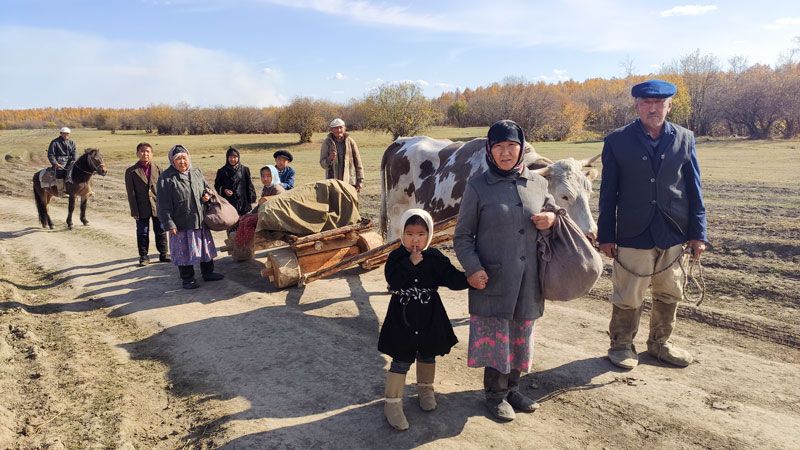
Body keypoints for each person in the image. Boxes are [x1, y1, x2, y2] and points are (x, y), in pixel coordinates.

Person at [597, 79, 707, 370]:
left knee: (670, 290)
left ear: (669, 106)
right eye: (646, 102)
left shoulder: (685, 138)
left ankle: (660, 344)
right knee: (629, 292)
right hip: (633, 231)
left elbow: (694, 189)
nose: (653, 108)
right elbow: (608, 194)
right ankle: (621, 345)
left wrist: (698, 234)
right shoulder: (617, 140)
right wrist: (606, 236)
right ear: (637, 105)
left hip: (673, 231)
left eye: (659, 103)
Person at [454, 119, 556, 422]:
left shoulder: (538, 184)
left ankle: (513, 389)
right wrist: (472, 268)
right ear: (489, 150)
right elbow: (462, 237)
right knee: (498, 339)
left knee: (521, 336)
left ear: (521, 148)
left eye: (511, 145)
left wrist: (551, 219)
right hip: (494, 278)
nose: (505, 152)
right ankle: (495, 395)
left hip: (529, 279)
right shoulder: (478, 186)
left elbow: (553, 211)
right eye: (498, 146)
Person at [379, 208, 469, 431]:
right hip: (403, 316)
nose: (415, 239)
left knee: (428, 353)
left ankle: (425, 389)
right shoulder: (396, 257)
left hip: (430, 315)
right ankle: (392, 403)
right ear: (402, 234)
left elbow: (452, 279)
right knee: (401, 357)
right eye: (409, 234)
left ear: (428, 235)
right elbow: (394, 281)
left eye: (420, 234)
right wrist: (410, 264)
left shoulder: (436, 257)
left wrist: (472, 277)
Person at [157, 145, 224, 289]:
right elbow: (162, 204)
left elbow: (207, 187)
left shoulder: (196, 172)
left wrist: (207, 194)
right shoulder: (166, 178)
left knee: (204, 248)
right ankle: (187, 279)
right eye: (178, 159)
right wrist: (169, 224)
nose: (182, 162)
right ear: (172, 161)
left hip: (199, 219)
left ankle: (208, 273)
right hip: (181, 223)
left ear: (189, 158)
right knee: (184, 252)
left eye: (184, 158)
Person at [125, 142, 169, 266]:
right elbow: (131, 193)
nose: (145, 154)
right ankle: (144, 256)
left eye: (148, 151)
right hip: (141, 207)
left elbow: (164, 190)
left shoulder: (159, 169)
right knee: (142, 231)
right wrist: (134, 211)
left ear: (152, 154)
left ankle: (164, 253)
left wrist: (166, 207)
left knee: (160, 229)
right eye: (142, 151)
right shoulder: (131, 171)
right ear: (137, 154)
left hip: (157, 206)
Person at [319, 118, 364, 192]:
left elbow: (358, 162)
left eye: (341, 127)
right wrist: (330, 158)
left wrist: (360, 180)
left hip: (350, 181)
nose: (339, 130)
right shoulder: (327, 143)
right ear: (331, 130)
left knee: (349, 203)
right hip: (332, 182)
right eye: (336, 128)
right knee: (334, 203)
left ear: (345, 128)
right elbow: (322, 164)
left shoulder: (350, 141)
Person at [214, 146, 257, 218]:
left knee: (245, 225)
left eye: (235, 157)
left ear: (238, 157)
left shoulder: (244, 169)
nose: (232, 159)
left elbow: (249, 185)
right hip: (229, 204)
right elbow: (217, 186)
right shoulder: (222, 171)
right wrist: (224, 190)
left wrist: (252, 198)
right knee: (232, 226)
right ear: (227, 158)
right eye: (230, 157)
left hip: (244, 203)